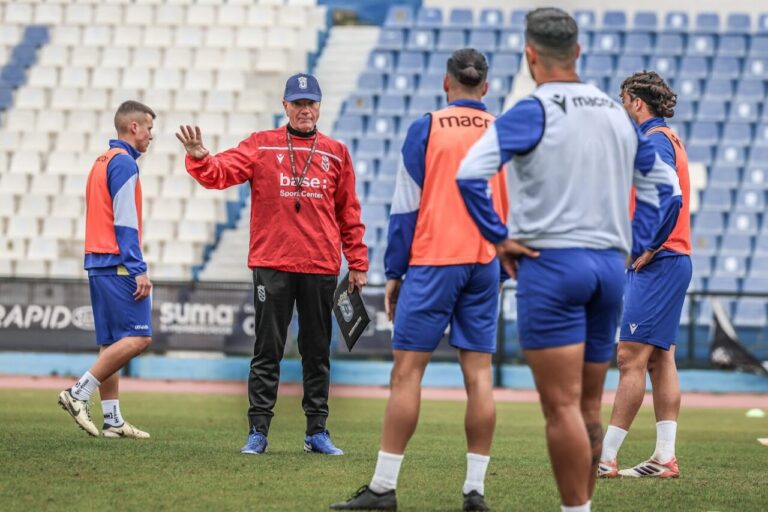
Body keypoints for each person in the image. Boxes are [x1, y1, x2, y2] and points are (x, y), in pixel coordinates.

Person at [455, 9, 682, 512]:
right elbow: (667, 191)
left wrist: (497, 238)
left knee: (559, 408)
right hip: (608, 268)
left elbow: (470, 174)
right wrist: (636, 241)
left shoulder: (530, 108)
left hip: (552, 264)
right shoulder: (614, 113)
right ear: (577, 52)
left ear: (530, 55)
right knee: (587, 407)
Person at [330, 49, 508, 512]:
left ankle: (384, 488)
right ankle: (475, 492)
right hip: (484, 261)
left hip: (434, 259)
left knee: (407, 373)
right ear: (485, 88)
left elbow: (405, 207)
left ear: (446, 84)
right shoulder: (505, 131)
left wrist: (395, 273)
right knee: (480, 376)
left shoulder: (427, 126)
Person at [176, 73, 368, 456]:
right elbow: (222, 172)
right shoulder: (261, 145)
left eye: (311, 103)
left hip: (319, 267)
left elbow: (349, 212)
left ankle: (317, 432)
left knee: (317, 353)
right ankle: (258, 431)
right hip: (272, 264)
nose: (305, 110)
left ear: (319, 106)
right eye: (297, 103)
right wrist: (201, 158)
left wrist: (358, 262)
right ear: (285, 106)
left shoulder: (336, 152)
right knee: (268, 352)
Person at [598, 71, 691, 479]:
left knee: (629, 357)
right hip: (674, 259)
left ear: (637, 102)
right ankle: (664, 457)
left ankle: (605, 457)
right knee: (659, 359)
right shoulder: (668, 137)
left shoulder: (653, 140)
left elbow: (671, 195)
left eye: (624, 100)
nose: (622, 108)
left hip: (661, 260)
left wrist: (649, 246)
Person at [57, 100, 156, 439]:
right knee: (139, 337)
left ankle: (112, 420)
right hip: (117, 264)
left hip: (98, 261)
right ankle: (77, 393)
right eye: (149, 128)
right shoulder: (125, 164)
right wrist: (137, 267)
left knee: (112, 342)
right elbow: (125, 220)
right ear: (133, 128)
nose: (151, 136)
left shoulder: (102, 161)